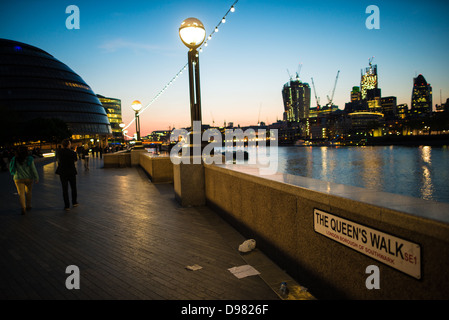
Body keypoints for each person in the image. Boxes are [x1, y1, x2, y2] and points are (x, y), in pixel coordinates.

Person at [9, 146, 39, 215]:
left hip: (18, 178)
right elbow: (33, 169)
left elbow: (12, 168)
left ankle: (23, 207)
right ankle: (28, 205)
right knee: (29, 192)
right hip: (29, 178)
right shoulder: (29, 159)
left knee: (21, 194)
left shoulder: (15, 159)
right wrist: (36, 178)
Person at [56, 139, 78, 211]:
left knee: (65, 189)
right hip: (71, 172)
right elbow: (75, 160)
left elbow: (58, 160)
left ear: (62, 145)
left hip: (63, 172)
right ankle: (74, 202)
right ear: (69, 144)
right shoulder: (72, 152)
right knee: (73, 188)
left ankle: (67, 206)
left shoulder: (59, 152)